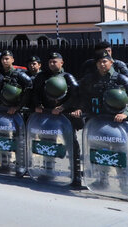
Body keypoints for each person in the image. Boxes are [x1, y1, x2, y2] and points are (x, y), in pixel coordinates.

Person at [32, 52, 81, 185]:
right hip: (47, 116)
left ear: (61, 63)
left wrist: (63, 107)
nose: (52, 64)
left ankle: (75, 173)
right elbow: (35, 92)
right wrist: (38, 105)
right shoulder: (42, 77)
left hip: (65, 117)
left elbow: (75, 94)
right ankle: (48, 170)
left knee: (71, 143)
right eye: (50, 62)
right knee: (47, 142)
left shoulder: (67, 77)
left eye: (55, 61)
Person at [71, 52, 128, 123]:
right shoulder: (89, 79)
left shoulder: (121, 79)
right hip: (95, 120)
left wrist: (124, 114)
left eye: (104, 61)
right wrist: (80, 109)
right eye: (99, 62)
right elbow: (82, 96)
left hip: (116, 120)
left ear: (111, 62)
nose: (101, 64)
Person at [0, 50, 32, 116]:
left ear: (12, 60)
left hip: (14, 110)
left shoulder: (19, 74)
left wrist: (19, 106)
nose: (4, 61)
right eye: (2, 59)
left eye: (7, 59)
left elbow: (29, 88)